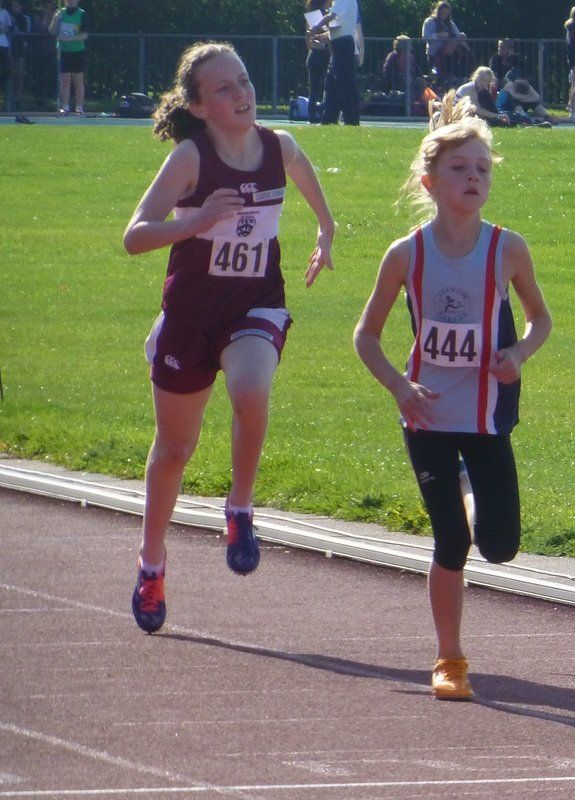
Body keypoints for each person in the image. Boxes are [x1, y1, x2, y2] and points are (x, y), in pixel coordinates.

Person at [122, 42, 335, 634]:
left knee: (249, 387)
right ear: (198, 106)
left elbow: (303, 171)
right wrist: (193, 222)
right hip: (190, 318)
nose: (241, 93)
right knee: (175, 450)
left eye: (243, 81)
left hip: (255, 304)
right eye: (224, 89)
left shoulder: (278, 146)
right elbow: (134, 236)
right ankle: (152, 565)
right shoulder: (191, 159)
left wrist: (326, 229)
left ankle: (239, 507)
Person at [354, 93, 552, 699]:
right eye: (460, 170)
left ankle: (471, 486)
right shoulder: (407, 254)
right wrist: (397, 385)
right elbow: (365, 335)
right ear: (430, 181)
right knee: (451, 541)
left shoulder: (507, 249)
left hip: (488, 414)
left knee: (499, 546)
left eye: (482, 170)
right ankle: (449, 660)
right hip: (429, 414)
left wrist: (516, 355)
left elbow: (540, 321)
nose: (473, 179)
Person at [312, 0, 363, 125]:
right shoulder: (338, 4)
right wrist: (321, 37)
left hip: (343, 46)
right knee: (331, 85)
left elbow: (331, 17)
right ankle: (328, 120)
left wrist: (315, 26)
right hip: (338, 46)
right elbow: (336, 29)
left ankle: (351, 121)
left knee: (346, 86)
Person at [49, 0, 88, 115]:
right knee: (65, 81)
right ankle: (65, 107)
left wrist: (69, 39)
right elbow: (52, 31)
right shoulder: (60, 13)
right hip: (63, 51)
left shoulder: (82, 14)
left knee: (78, 80)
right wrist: (56, 19)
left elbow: (85, 35)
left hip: (77, 51)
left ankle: (79, 107)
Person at [422, 1, 470, 88]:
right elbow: (425, 37)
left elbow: (457, 34)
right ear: (438, 11)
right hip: (434, 55)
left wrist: (461, 36)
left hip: (449, 56)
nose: (445, 15)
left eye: (447, 13)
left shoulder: (450, 24)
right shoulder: (429, 22)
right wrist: (438, 35)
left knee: (451, 78)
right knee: (436, 79)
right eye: (443, 12)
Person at [304, 0, 332, 123]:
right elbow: (318, 36)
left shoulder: (312, 14)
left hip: (315, 54)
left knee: (315, 88)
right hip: (320, 54)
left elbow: (308, 38)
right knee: (322, 86)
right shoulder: (320, 15)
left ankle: (314, 115)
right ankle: (319, 113)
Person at [8, 0, 31, 110]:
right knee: (10, 74)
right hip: (9, 49)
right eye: (12, 6)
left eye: (16, 5)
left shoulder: (25, 18)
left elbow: (27, 33)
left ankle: (18, 99)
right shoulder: (8, 17)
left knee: (19, 74)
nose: (14, 8)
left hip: (20, 49)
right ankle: (10, 99)